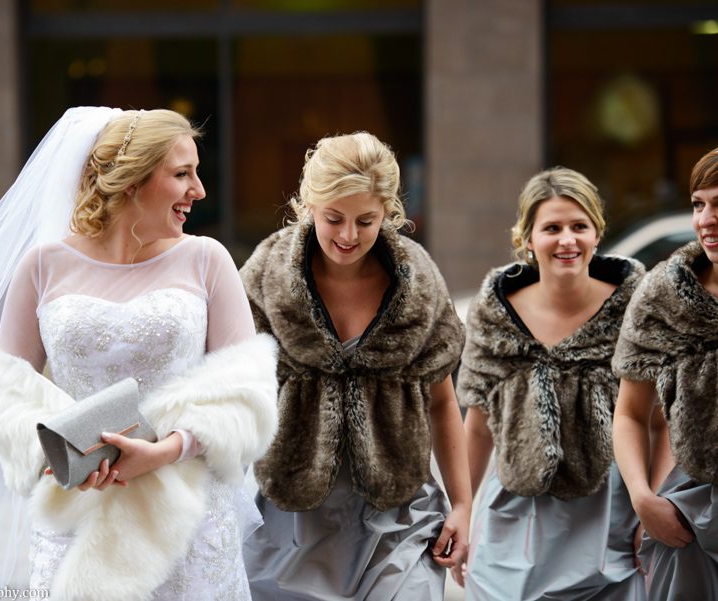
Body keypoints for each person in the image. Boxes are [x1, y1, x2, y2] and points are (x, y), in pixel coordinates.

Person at [0, 107, 278, 600]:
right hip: (79, 511)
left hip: (184, 518)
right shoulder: (42, 265)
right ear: (132, 180)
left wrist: (166, 451)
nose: (199, 190)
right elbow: (5, 391)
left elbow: (246, 393)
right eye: (182, 174)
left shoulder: (207, 260)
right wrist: (54, 456)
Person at [240, 132, 471, 600]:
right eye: (334, 219)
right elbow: (230, 393)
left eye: (366, 220)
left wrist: (464, 504)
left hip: (398, 515)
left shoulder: (418, 281)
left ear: (388, 212)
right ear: (309, 205)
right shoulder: (266, 276)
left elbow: (443, 402)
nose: (348, 236)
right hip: (288, 519)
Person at [456, 167, 647, 600]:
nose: (567, 240)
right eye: (552, 228)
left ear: (597, 234)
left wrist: (649, 506)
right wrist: (462, 512)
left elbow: (655, 417)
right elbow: (479, 424)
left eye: (579, 226)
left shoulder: (635, 308)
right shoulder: (494, 313)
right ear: (527, 238)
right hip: (513, 518)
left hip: (608, 518)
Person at [612, 147, 718, 599]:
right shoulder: (664, 293)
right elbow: (631, 414)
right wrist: (643, 499)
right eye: (699, 204)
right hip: (689, 514)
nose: (706, 219)